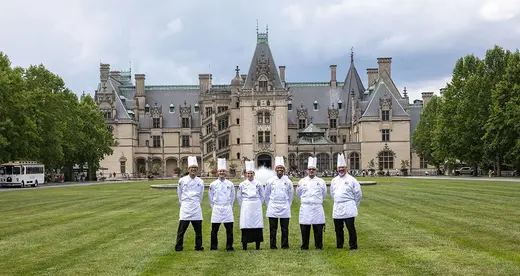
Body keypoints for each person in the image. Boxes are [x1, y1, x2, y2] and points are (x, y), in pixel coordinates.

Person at [330, 153, 362, 250]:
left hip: (348, 206)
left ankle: (353, 245)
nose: (341, 169)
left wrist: (354, 204)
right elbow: (332, 193)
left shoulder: (352, 180)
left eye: (342, 167)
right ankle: (339, 245)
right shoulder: (334, 180)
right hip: (338, 206)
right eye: (339, 168)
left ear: (346, 168)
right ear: (337, 169)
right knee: (338, 229)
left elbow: (358, 194)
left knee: (350, 228)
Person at [296, 157, 327, 250]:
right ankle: (305, 245)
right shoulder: (302, 181)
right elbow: (298, 194)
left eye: (313, 169)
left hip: (317, 207)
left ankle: (319, 245)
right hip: (306, 207)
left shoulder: (321, 182)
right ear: (307, 171)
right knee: (305, 227)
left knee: (318, 228)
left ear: (316, 170)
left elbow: (324, 194)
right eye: (310, 169)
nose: (311, 171)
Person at [175, 156, 205, 251]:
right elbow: (179, 194)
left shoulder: (200, 181)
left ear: (197, 169)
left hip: (196, 207)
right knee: (181, 230)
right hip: (186, 207)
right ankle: (179, 246)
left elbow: (201, 195)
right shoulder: (182, 180)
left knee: (198, 230)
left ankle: (198, 246)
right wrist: (184, 203)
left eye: (195, 168)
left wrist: (195, 203)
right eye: (191, 168)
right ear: (188, 169)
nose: (193, 170)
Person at [265, 156, 294, 249]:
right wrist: (269, 204)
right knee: (273, 228)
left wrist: (287, 204)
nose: (280, 170)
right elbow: (266, 195)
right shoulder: (270, 181)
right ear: (275, 169)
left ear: (284, 169)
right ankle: (272, 245)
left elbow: (291, 195)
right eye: (278, 168)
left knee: (285, 229)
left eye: (281, 168)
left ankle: (285, 245)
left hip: (284, 206)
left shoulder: (288, 181)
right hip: (273, 206)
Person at [208, 158, 235, 251]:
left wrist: (229, 206)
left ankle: (229, 246)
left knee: (229, 230)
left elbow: (233, 196)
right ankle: (214, 246)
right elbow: (210, 197)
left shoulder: (230, 184)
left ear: (226, 172)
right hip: (217, 208)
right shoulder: (213, 184)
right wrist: (214, 206)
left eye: (223, 171)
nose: (222, 172)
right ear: (217, 172)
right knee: (214, 230)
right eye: (220, 171)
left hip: (227, 207)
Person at [237, 160, 265, 250]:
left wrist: (258, 203)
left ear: (254, 174)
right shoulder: (242, 184)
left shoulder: (259, 184)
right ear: (246, 174)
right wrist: (244, 204)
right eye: (248, 173)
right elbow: (239, 197)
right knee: (246, 225)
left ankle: (257, 246)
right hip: (246, 205)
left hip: (256, 205)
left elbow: (263, 196)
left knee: (257, 225)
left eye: (251, 173)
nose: (250, 175)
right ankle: (244, 246)